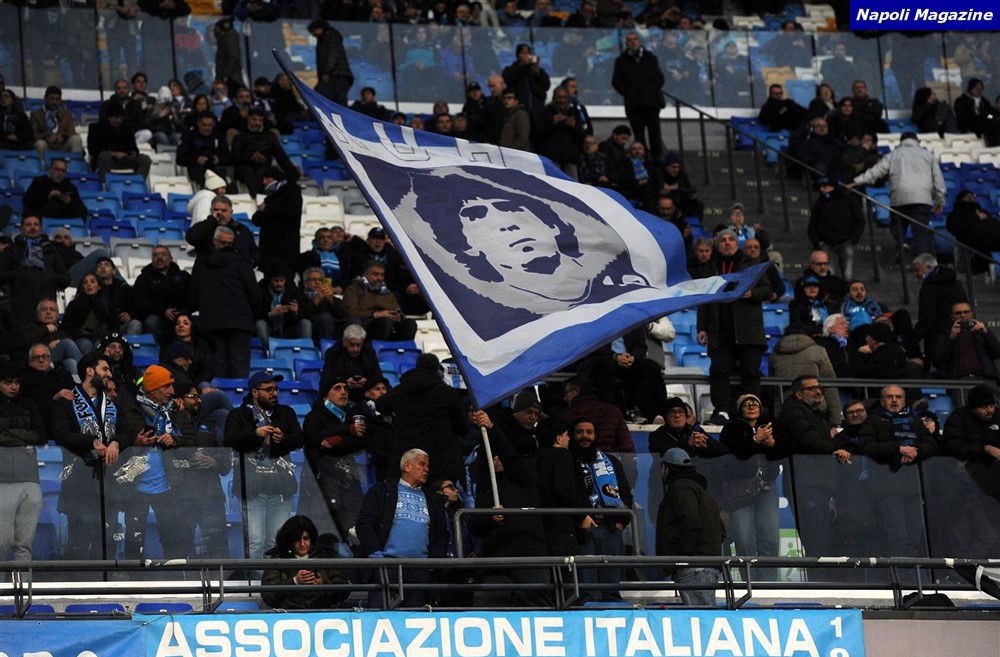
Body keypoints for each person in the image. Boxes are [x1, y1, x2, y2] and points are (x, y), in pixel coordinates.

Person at [51, 353, 136, 560]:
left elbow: (128, 432)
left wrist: (116, 442)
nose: (109, 374)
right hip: (79, 484)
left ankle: (106, 581)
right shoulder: (66, 402)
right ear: (90, 371)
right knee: (79, 544)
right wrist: (92, 442)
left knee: (106, 543)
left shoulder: (113, 404)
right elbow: (60, 434)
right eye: (105, 369)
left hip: (109, 485)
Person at [224, 369, 305, 562]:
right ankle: (256, 580)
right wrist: (254, 434)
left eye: (276, 389)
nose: (274, 393)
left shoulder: (286, 413)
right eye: (269, 390)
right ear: (255, 392)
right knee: (256, 542)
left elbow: (300, 439)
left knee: (277, 543)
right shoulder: (238, 415)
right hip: (252, 489)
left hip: (280, 487)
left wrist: (283, 438)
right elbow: (229, 441)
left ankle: (275, 579)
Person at [118, 365, 195, 559]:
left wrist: (174, 440)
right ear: (152, 389)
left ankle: (174, 577)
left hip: (170, 487)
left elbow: (192, 443)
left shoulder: (176, 411)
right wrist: (136, 443)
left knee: (173, 541)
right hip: (136, 487)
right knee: (134, 541)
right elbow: (117, 444)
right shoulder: (129, 411)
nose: (172, 391)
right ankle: (133, 578)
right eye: (166, 386)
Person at [355, 448, 448, 608]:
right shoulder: (382, 490)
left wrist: (432, 563)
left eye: (427, 466)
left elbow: (442, 535)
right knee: (381, 616)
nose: (427, 469)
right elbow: (364, 523)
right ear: (407, 466)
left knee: (415, 619)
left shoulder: (433, 499)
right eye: (422, 464)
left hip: (419, 570)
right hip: (386, 566)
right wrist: (376, 556)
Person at [696, 229, 771, 424]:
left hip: (748, 331)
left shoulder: (752, 264)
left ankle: (751, 413)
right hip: (721, 332)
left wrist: (752, 294)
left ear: (737, 243)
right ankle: (722, 410)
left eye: (731, 239)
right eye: (723, 240)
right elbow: (704, 300)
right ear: (717, 245)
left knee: (751, 373)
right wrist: (702, 327)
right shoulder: (712, 268)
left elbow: (768, 289)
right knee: (718, 371)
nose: (727, 242)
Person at [858, 384, 935, 558]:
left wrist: (914, 452)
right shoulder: (873, 421)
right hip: (887, 489)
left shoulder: (914, 421)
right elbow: (867, 446)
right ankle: (897, 573)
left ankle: (911, 575)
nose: (894, 400)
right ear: (882, 401)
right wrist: (898, 449)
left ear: (904, 400)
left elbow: (931, 446)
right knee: (898, 537)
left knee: (914, 540)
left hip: (915, 488)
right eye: (890, 397)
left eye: (898, 397)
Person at [848, 132, 945, 258]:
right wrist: (939, 201)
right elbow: (938, 180)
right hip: (922, 199)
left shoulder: (893, 155)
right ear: (916, 140)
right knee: (921, 233)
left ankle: (901, 244)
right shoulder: (928, 155)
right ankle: (922, 260)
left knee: (897, 225)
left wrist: (856, 182)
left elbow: (875, 172)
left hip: (899, 199)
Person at [718, 393, 782, 580]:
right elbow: (734, 456)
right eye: (747, 404)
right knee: (745, 542)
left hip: (767, 488)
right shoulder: (731, 429)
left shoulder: (771, 428)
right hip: (740, 490)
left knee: (770, 540)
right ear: (739, 409)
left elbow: (782, 455)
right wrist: (755, 439)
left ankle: (768, 587)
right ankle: (750, 585)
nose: (752, 406)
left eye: (755, 403)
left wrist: (773, 444)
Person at [376, 353, 467, 484]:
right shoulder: (446, 392)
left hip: (408, 461)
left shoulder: (400, 390)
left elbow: (381, 405)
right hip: (441, 464)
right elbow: (462, 428)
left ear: (417, 367)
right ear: (436, 370)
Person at [569, 417, 633, 602]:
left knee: (611, 585)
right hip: (585, 529)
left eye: (589, 432)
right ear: (573, 435)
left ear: (596, 435)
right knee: (585, 587)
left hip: (611, 528)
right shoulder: (569, 461)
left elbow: (625, 493)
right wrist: (581, 518)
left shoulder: (611, 461)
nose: (585, 436)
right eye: (580, 432)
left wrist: (621, 522)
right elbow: (568, 493)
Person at [300, 377, 369, 543]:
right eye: (337, 388)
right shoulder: (314, 416)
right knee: (327, 534)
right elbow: (313, 439)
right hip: (323, 482)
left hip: (349, 481)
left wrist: (337, 440)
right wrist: (347, 431)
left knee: (355, 532)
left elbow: (363, 441)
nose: (343, 392)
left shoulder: (351, 415)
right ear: (326, 395)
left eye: (345, 388)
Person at [656, 447, 725, 606]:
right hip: (705, 565)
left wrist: (684, 556)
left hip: (694, 566)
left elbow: (691, 522)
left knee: (701, 617)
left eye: (662, 467)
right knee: (702, 614)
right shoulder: (700, 491)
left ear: (667, 468)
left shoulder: (681, 487)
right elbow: (721, 531)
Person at [191, 225, 259, 378]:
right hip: (240, 324)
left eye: (229, 243)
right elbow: (254, 295)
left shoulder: (203, 264)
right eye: (224, 243)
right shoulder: (242, 263)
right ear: (214, 241)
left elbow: (194, 293)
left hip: (212, 325)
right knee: (239, 373)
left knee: (218, 373)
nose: (227, 246)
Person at [0, 360, 46, 562]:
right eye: (8, 382)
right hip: (2, 480)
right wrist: (23, 439)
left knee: (25, 544)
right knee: (1, 542)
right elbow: (32, 436)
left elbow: (40, 436)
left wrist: (7, 435)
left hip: (29, 478)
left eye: (17, 382)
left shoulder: (30, 405)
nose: (14, 387)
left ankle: (23, 583)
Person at [261, 515, 350, 609]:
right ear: (289, 540)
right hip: (288, 614)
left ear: (312, 538)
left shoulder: (325, 557)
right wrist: (294, 582)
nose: (302, 544)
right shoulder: (278, 560)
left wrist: (323, 584)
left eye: (306, 538)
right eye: (297, 539)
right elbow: (269, 597)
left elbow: (343, 592)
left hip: (323, 613)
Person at [0, 215, 70, 332]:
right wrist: (18, 275)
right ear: (21, 228)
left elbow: (66, 280)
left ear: (41, 228)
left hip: (46, 314)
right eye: (28, 225)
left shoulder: (51, 250)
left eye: (36, 224)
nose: (32, 227)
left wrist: (49, 276)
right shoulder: (11, 250)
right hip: (20, 314)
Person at [612, 32, 665, 162]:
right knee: (639, 135)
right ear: (626, 43)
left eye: (635, 39)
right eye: (629, 40)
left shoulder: (650, 58)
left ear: (640, 41)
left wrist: (651, 90)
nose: (633, 42)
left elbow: (659, 77)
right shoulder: (621, 61)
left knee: (655, 134)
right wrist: (629, 92)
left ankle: (657, 160)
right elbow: (616, 81)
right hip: (634, 104)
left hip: (651, 103)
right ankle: (642, 160)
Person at [910, 253, 968, 366]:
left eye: (917, 270)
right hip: (958, 335)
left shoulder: (928, 288)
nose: (915, 274)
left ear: (928, 267)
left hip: (935, 340)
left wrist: (911, 342)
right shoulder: (956, 284)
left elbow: (926, 320)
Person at [342, 260, 417, 342]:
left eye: (382, 275)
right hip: (366, 327)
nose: (380, 278)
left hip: (390, 327)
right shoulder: (354, 289)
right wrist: (375, 314)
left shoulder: (387, 292)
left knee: (410, 323)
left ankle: (404, 349)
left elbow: (400, 312)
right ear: (366, 274)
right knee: (384, 322)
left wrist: (398, 316)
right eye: (375, 274)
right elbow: (351, 312)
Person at [933, 300, 1000, 391]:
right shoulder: (946, 336)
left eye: (966, 312)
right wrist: (950, 339)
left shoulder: (982, 332)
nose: (963, 315)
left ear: (972, 313)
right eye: (958, 313)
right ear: (952, 316)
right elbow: (938, 360)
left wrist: (985, 333)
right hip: (960, 382)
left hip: (985, 378)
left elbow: (997, 352)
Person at [807, 177, 865, 281]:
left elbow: (860, 220)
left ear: (833, 187)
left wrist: (853, 239)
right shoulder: (819, 203)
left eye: (825, 186)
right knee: (829, 275)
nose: (822, 189)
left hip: (846, 241)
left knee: (848, 275)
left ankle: (847, 291)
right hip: (826, 243)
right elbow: (812, 227)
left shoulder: (849, 200)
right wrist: (819, 243)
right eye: (821, 186)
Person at [231, 108, 297, 196]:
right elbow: (234, 158)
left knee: (267, 171)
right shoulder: (239, 136)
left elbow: (281, 157)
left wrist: (293, 172)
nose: (257, 123)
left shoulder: (270, 136)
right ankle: (255, 196)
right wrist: (250, 158)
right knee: (247, 170)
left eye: (260, 120)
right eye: (254, 120)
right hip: (244, 167)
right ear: (248, 120)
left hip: (264, 166)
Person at [560, 376, 633, 454]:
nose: (565, 398)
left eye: (566, 393)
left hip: (578, 459)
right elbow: (627, 446)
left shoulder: (566, 415)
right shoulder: (613, 411)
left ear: (575, 392)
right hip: (609, 459)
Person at [132, 245, 193, 338]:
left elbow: (192, 296)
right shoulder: (143, 278)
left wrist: (183, 311)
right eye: (155, 255)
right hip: (156, 316)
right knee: (152, 322)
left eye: (163, 254)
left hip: (181, 313)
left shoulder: (183, 276)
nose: (159, 258)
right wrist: (163, 311)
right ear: (152, 259)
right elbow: (140, 302)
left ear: (170, 258)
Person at [252, 166, 302, 272]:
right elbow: (256, 220)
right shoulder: (270, 198)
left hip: (285, 250)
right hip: (268, 251)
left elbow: (292, 212)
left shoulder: (292, 192)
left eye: (265, 178)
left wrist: (267, 209)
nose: (264, 182)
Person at [86, 103, 152, 180]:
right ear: (109, 117)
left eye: (121, 118)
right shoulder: (96, 128)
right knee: (104, 157)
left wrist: (133, 153)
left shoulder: (127, 129)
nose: (118, 121)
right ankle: (105, 183)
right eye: (116, 118)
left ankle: (138, 183)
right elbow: (93, 150)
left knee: (145, 160)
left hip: (126, 160)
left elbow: (134, 148)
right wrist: (113, 153)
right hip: (107, 160)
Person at [534, 85, 586, 180]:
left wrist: (573, 127)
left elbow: (581, 135)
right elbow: (538, 134)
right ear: (554, 98)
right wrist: (552, 123)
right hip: (552, 159)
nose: (562, 100)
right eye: (559, 97)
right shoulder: (546, 113)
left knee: (573, 185)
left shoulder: (574, 112)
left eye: (564, 97)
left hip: (570, 159)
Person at [18, 343, 75, 428]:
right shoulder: (25, 378)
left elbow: (75, 388)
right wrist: (54, 398)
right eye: (37, 357)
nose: (41, 360)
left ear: (50, 358)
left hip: (70, 414)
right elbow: (32, 405)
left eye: (44, 356)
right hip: (45, 421)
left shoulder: (61, 372)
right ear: (30, 361)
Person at [946, 189, 1000, 273]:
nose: (971, 198)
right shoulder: (955, 214)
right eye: (967, 197)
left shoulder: (983, 212)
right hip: (973, 241)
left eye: (973, 196)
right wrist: (976, 217)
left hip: (993, 237)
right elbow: (956, 227)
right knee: (982, 244)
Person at [255, 259, 308, 344]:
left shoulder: (293, 291)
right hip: (269, 328)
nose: (279, 283)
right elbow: (255, 314)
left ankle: (306, 349)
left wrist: (296, 312)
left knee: (305, 323)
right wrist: (270, 314)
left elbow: (306, 312)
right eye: (276, 280)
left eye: (282, 280)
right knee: (260, 324)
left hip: (288, 329)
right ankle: (267, 350)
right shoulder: (260, 290)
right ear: (269, 279)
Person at [176, 111, 230, 189]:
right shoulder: (189, 136)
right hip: (197, 169)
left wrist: (219, 159)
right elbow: (180, 159)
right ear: (198, 124)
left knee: (224, 182)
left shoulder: (219, 136)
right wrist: (196, 160)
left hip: (216, 169)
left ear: (213, 124)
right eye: (204, 125)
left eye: (209, 125)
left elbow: (228, 157)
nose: (206, 128)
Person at [29, 86, 84, 160]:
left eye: (57, 99)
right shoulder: (36, 115)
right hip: (46, 144)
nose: (54, 102)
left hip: (62, 145)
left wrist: (62, 137)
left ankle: (75, 163)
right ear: (45, 98)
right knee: (40, 144)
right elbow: (34, 135)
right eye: (51, 99)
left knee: (76, 139)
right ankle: (42, 165)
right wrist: (47, 136)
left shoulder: (67, 115)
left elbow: (71, 132)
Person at [308, 19, 354, 106]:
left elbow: (332, 55)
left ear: (320, 28)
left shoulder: (330, 37)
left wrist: (326, 71)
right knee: (339, 103)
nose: (313, 34)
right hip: (341, 76)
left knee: (319, 99)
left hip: (335, 76)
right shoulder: (328, 38)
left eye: (314, 31)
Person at [22, 158, 88, 220]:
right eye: (57, 169)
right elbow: (27, 200)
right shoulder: (40, 182)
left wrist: (70, 203)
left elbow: (81, 209)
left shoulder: (70, 187)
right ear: (50, 170)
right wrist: (48, 196)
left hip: (64, 217)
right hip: (43, 215)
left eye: (63, 171)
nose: (60, 173)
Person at [501, 43, 551, 123]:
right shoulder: (510, 69)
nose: (527, 55)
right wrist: (522, 65)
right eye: (523, 53)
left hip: (537, 109)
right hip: (520, 109)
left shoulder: (536, 71)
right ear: (518, 55)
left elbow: (546, 85)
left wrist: (537, 70)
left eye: (528, 53)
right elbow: (508, 79)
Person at [954, 77, 1000, 146]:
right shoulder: (961, 101)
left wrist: (989, 118)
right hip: (968, 127)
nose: (979, 91)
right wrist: (978, 118)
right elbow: (961, 116)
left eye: (981, 89)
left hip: (984, 126)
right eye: (976, 89)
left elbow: (990, 114)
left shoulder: (984, 101)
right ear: (971, 88)